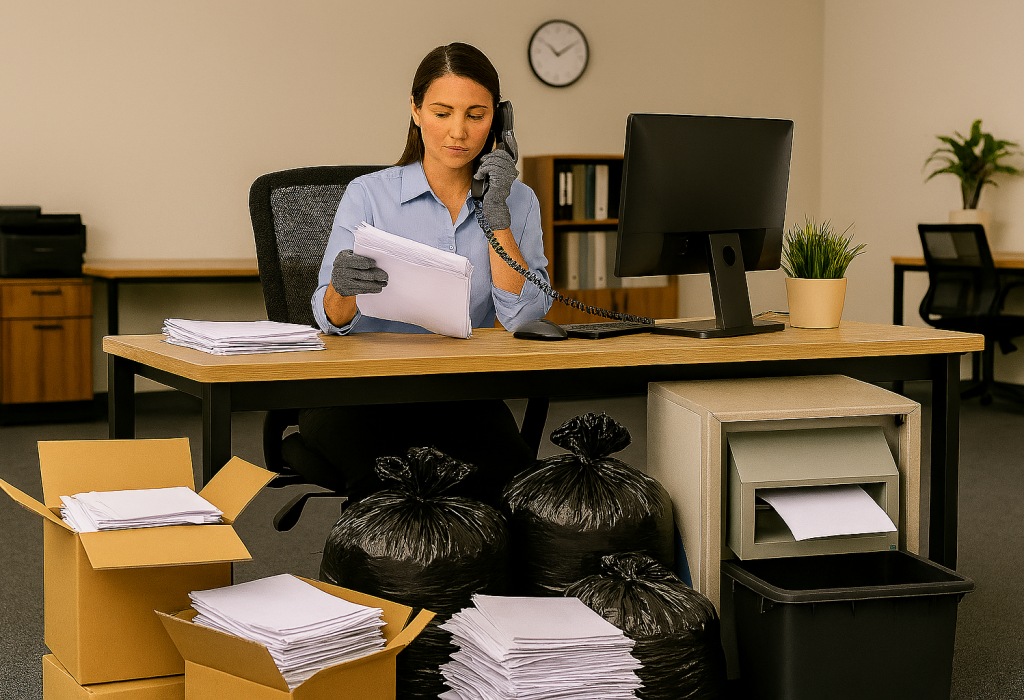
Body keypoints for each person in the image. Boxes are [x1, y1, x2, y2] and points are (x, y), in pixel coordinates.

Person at [299, 42, 552, 505]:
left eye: (477, 115)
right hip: (360, 395)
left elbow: (525, 318)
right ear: (415, 111)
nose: (458, 131)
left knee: (516, 490)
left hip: (460, 393)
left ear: (499, 120)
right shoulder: (368, 196)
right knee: (389, 488)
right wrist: (342, 288)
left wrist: (496, 214)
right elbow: (328, 318)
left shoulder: (519, 202)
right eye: (442, 112)